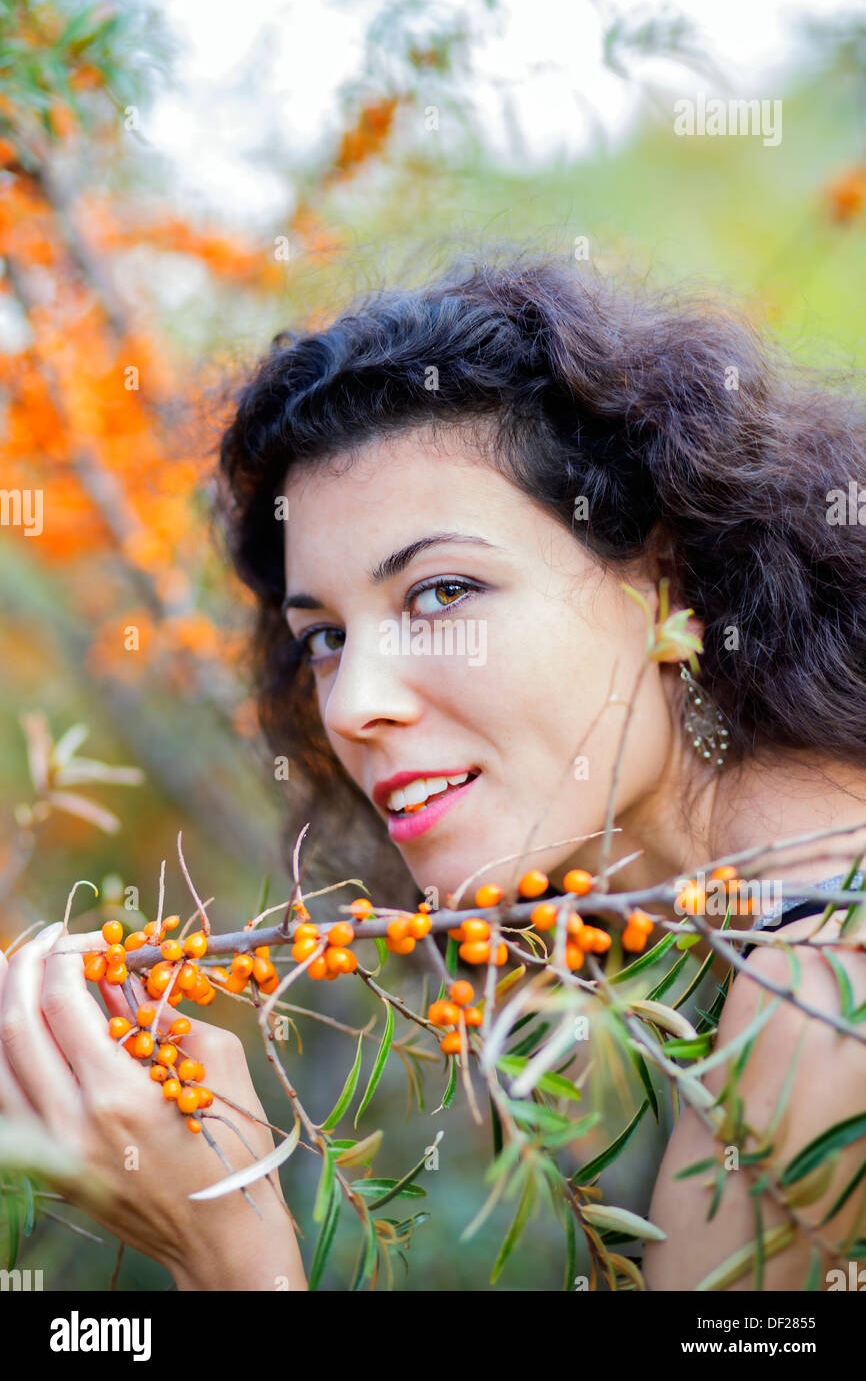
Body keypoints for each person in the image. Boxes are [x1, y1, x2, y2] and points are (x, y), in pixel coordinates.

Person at [2, 252, 866, 1290]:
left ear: (662, 577)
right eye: (322, 635)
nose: (354, 702)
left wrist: (231, 1257)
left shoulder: (823, 1003)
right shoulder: (771, 926)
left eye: (440, 592)